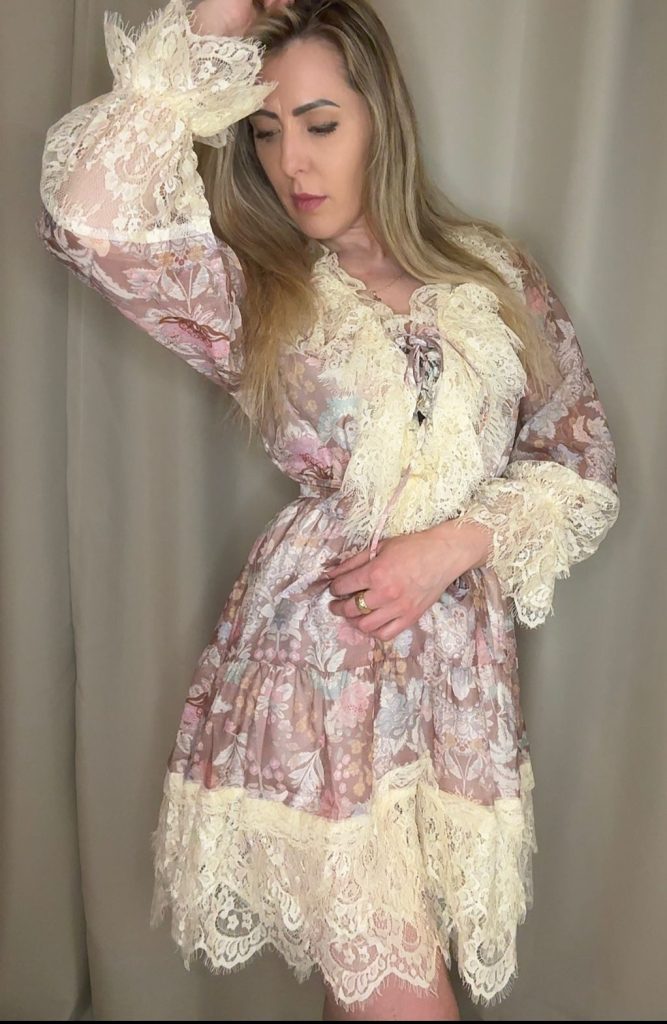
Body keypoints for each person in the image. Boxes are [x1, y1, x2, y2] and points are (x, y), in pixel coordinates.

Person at [34, 0, 621, 1019]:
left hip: (453, 693)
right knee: (399, 995)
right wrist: (219, 15)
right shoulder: (255, 288)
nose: (290, 163)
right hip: (319, 677)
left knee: (369, 994)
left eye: (319, 124)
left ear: (380, 117)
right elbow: (87, 215)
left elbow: (580, 459)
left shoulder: (492, 273)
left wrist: (450, 545)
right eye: (265, 131)